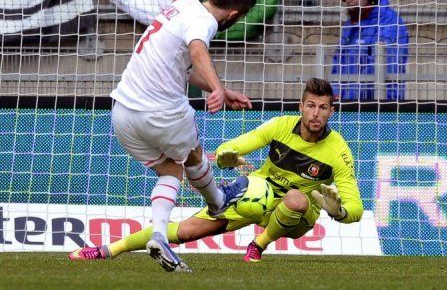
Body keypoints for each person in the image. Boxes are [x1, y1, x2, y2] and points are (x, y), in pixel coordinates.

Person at [70, 78, 364, 270]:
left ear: (331, 111)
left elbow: (356, 208)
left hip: (298, 215)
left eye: (323, 108)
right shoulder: (279, 126)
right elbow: (233, 147)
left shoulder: (338, 151)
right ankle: (106, 250)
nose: (315, 114)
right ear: (300, 107)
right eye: (310, 106)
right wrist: (226, 155)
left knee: (297, 199)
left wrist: (338, 212)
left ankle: (257, 245)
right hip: (258, 197)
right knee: (183, 232)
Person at [69, 0, 257, 272]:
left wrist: (219, 89)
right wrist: (217, 89)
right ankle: (219, 202)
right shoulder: (205, 22)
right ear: (233, 14)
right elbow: (197, 53)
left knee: (170, 170)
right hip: (160, 112)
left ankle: (159, 236)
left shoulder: (182, 6)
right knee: (194, 156)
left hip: (122, 112)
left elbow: (181, 65)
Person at [331, 0, 409, 101]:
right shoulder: (349, 25)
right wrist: (334, 95)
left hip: (381, 105)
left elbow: (381, 66)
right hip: (348, 107)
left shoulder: (388, 20)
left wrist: (347, 98)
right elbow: (337, 66)